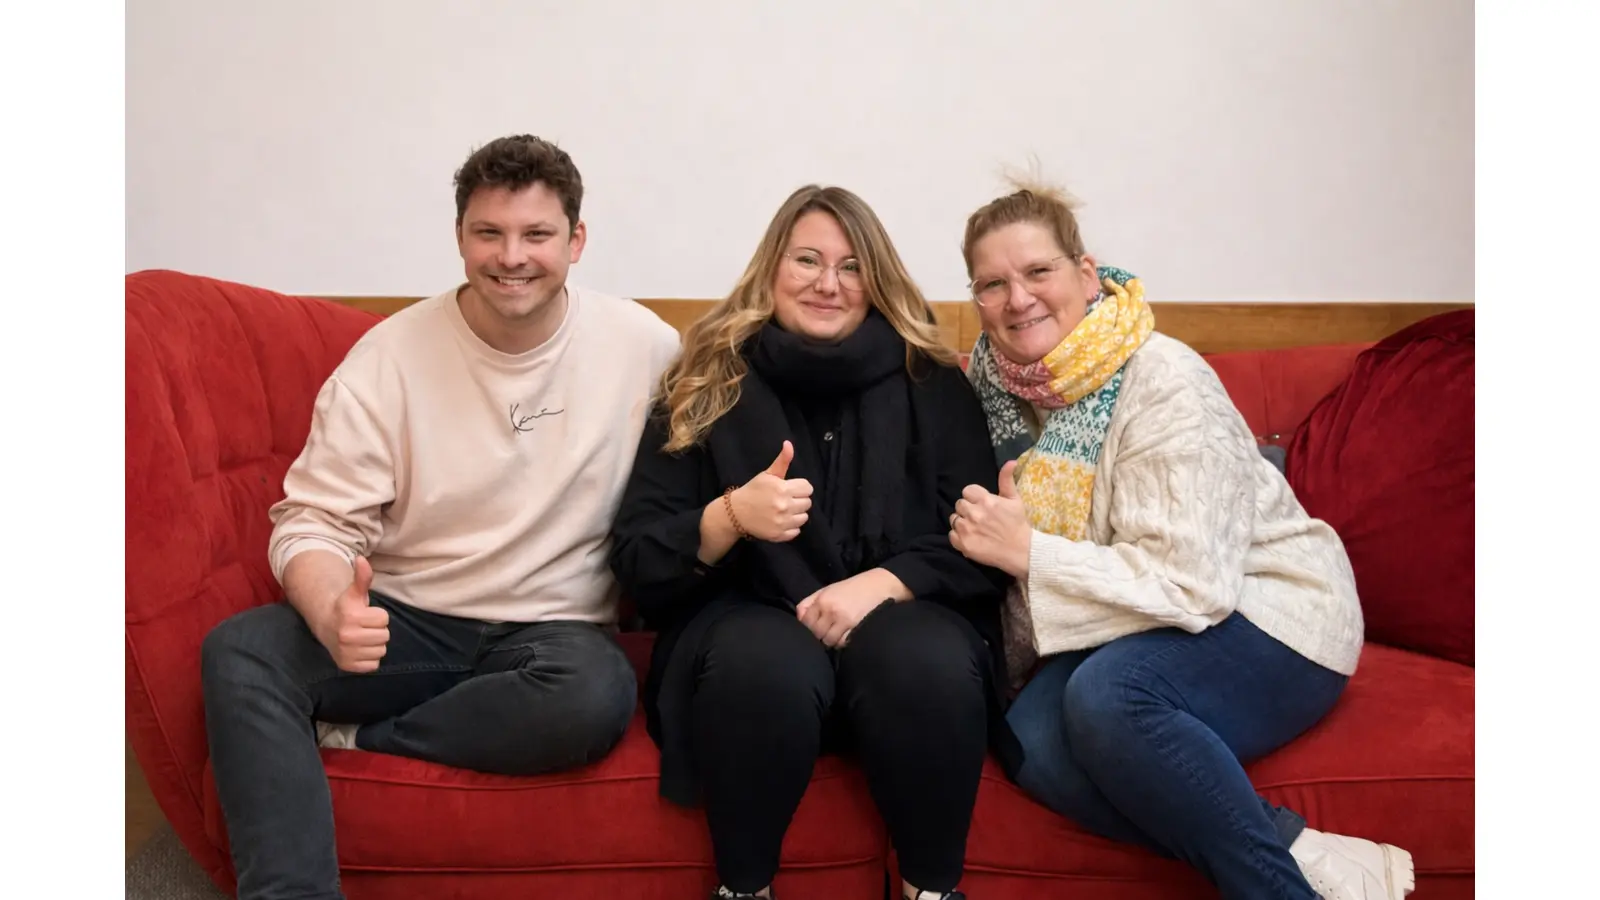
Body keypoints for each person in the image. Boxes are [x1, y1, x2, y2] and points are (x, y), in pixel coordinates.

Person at [199, 135, 682, 900]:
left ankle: (361, 737)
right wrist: (330, 607)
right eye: (489, 233)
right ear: (460, 237)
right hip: (407, 620)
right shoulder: (386, 356)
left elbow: (706, 456)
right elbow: (313, 520)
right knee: (241, 651)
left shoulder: (646, 346)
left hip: (551, 638)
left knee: (595, 695)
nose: (511, 256)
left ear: (577, 241)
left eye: (537, 235)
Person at [946, 181, 1416, 900]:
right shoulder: (992, 387)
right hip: (1132, 622)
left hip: (1270, 611)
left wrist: (1028, 554)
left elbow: (1193, 584)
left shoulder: (1163, 380)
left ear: (1085, 273)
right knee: (1028, 745)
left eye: (1038, 272)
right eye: (993, 283)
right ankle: (1292, 845)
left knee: (1108, 697)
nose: (1018, 299)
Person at [609, 184, 1019, 900]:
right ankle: (744, 889)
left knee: (920, 657)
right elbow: (639, 560)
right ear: (772, 267)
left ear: (877, 279)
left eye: (852, 265)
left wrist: (880, 585)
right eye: (807, 259)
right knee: (761, 662)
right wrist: (729, 517)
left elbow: (977, 537)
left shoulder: (933, 382)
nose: (827, 283)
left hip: (900, 611)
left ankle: (933, 890)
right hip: (746, 616)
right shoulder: (706, 379)